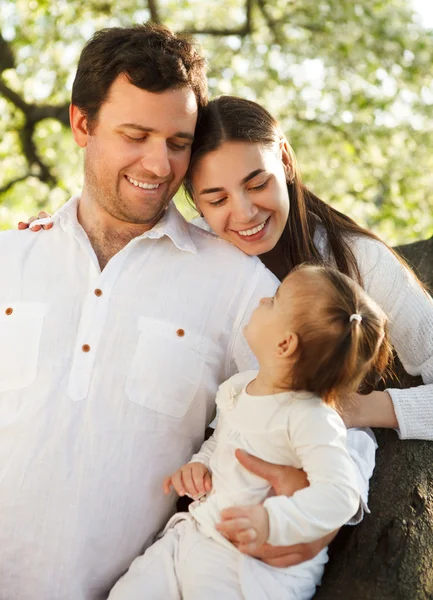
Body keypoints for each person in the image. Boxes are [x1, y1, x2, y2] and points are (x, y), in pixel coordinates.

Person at [0, 25, 286, 600]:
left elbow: (300, 415)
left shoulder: (238, 285)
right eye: (135, 135)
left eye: (178, 142)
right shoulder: (10, 256)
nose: (159, 165)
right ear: (83, 125)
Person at [108, 264, 392, 600]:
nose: (261, 300)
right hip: (198, 530)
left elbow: (340, 494)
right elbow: (223, 442)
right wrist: (200, 464)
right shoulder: (242, 386)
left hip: (250, 566)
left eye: (273, 301)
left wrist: (272, 520)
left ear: (285, 344)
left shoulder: (310, 418)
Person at [181, 95, 433, 442]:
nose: (244, 214)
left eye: (257, 185)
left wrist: (360, 408)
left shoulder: (360, 260)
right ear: (196, 200)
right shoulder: (186, 263)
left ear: (284, 160)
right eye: (218, 199)